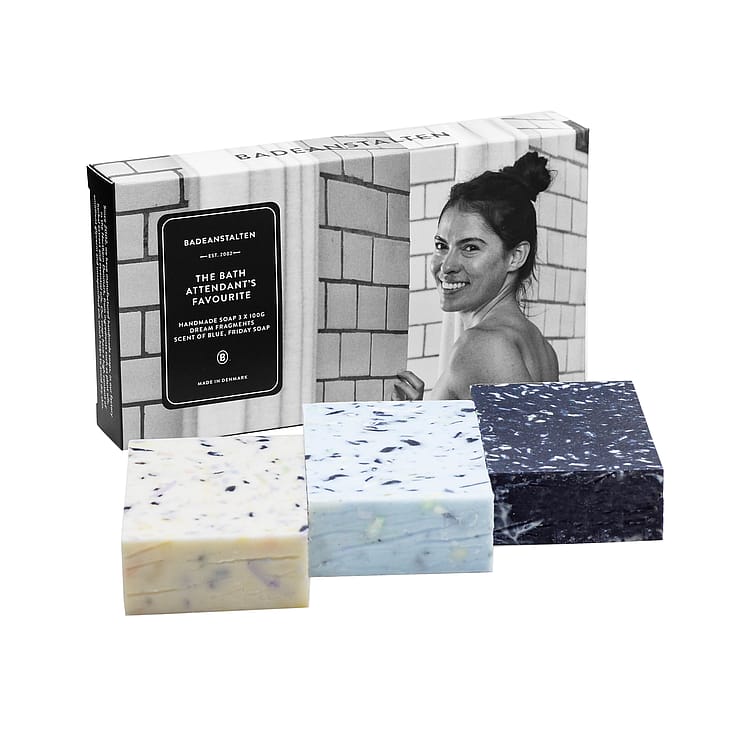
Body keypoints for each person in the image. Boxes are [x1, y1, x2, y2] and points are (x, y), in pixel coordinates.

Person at [391, 150, 559, 401]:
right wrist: (420, 416)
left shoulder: (482, 345)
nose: (446, 266)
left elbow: (523, 429)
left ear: (516, 256)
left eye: (470, 248)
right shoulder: (541, 347)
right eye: (441, 245)